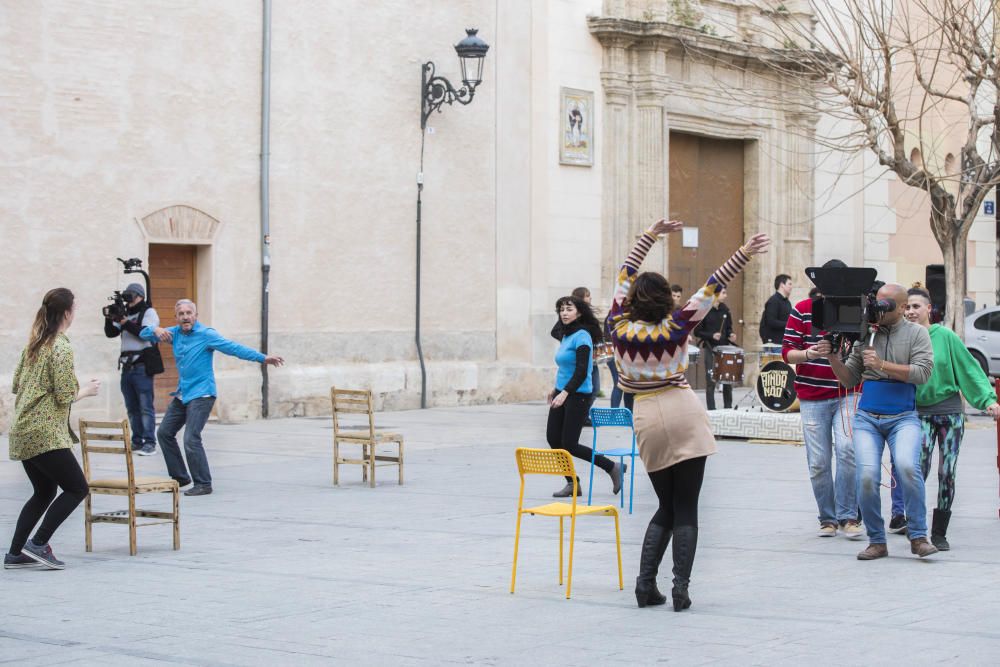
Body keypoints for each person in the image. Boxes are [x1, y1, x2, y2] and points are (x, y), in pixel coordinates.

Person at [608, 219, 769, 610]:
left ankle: (646, 584)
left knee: (664, 503)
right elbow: (712, 286)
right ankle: (680, 588)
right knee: (687, 506)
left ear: (631, 300)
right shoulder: (679, 324)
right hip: (683, 410)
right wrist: (744, 252)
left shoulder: (617, 325)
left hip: (645, 415)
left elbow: (624, 275)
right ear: (666, 299)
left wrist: (648, 236)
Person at [825, 283, 937, 560]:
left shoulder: (918, 334)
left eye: (885, 305)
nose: (878, 309)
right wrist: (830, 355)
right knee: (866, 476)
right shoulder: (867, 334)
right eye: (877, 303)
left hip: (904, 416)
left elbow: (923, 373)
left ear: (901, 308)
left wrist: (882, 365)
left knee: (909, 467)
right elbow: (849, 378)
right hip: (867, 417)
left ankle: (919, 536)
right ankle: (877, 541)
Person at [141, 299, 284, 496]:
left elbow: (233, 348)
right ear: (176, 318)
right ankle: (180, 477)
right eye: (181, 314)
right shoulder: (173, 333)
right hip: (183, 394)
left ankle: (203, 483)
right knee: (164, 433)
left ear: (196, 315)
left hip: (202, 394)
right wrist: (155, 329)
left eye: (189, 313)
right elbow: (143, 333)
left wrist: (262, 358)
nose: (185, 317)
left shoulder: (206, 335)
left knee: (191, 438)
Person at [5, 288, 101, 570]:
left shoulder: (33, 345)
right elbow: (64, 394)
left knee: (44, 492)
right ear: (68, 313)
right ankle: (38, 544)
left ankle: (15, 554)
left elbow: (15, 385)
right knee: (77, 488)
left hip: (23, 430)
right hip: (44, 431)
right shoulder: (61, 346)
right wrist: (87, 390)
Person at [902, 288, 1000, 550]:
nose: (911, 311)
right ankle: (916, 527)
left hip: (949, 414)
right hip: (918, 414)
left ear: (928, 309)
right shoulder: (902, 337)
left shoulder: (945, 336)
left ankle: (939, 532)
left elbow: (969, 368)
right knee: (917, 470)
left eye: (916, 306)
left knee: (947, 472)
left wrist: (987, 400)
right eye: (907, 307)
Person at [782, 262, 862, 539]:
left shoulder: (855, 308)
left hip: (848, 392)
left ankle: (849, 516)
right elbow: (787, 353)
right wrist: (810, 354)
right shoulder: (803, 309)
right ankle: (827, 518)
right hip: (812, 395)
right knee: (818, 460)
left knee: (848, 450)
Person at [546, 296, 623, 498]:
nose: (564, 313)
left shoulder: (582, 336)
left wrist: (565, 392)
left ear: (579, 312)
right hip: (562, 392)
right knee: (554, 439)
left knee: (570, 444)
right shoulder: (565, 335)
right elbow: (564, 366)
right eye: (561, 309)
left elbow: (581, 371)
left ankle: (611, 467)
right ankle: (572, 483)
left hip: (578, 395)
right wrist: (555, 389)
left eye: (569, 309)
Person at [104, 282, 161, 456]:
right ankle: (137, 441)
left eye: (131, 295)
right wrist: (110, 317)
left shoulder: (148, 312)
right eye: (127, 295)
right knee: (132, 407)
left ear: (140, 296)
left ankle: (150, 442)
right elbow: (111, 333)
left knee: (145, 406)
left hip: (142, 366)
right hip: (127, 367)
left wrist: (124, 322)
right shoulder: (126, 314)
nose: (128, 299)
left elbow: (144, 332)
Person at [693, 286, 737, 410]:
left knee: (727, 380)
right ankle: (711, 410)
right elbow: (697, 332)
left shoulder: (725, 310)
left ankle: (728, 408)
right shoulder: (705, 310)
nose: (726, 295)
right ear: (716, 294)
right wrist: (711, 335)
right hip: (710, 348)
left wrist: (731, 335)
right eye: (723, 293)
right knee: (711, 381)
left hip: (724, 349)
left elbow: (728, 328)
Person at [759, 274, 792, 344]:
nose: (791, 287)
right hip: (774, 343)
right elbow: (771, 321)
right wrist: (789, 324)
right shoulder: (773, 301)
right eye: (789, 284)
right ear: (782, 285)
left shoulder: (787, 302)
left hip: (783, 341)